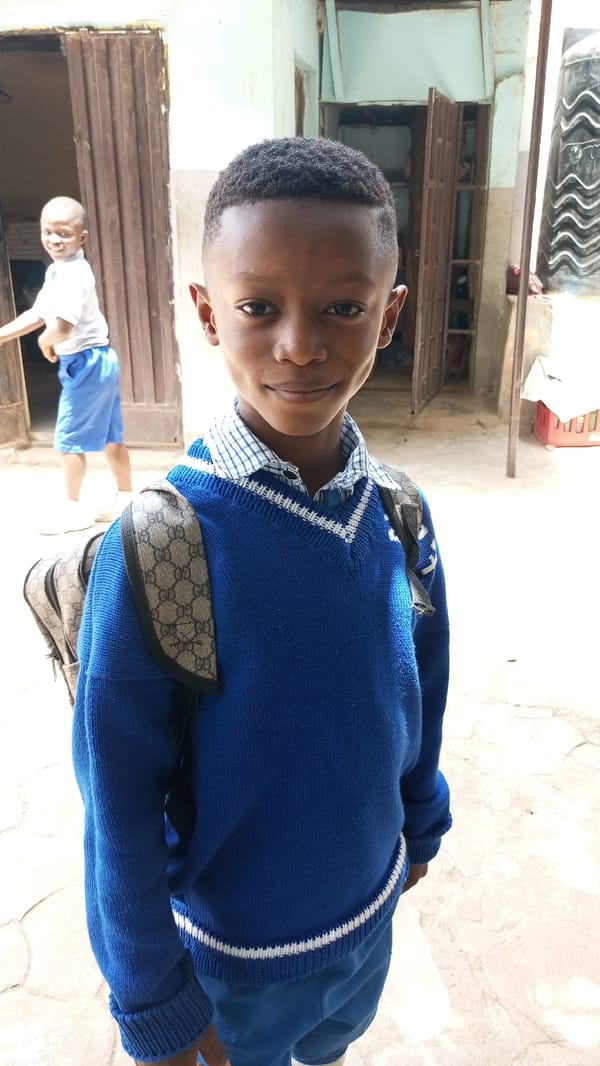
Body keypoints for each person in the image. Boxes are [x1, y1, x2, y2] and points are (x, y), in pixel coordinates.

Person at [73, 137, 452, 1066]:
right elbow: (115, 802)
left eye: (342, 308)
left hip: (367, 922)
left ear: (390, 313)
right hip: (228, 971)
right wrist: (153, 1000)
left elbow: (417, 692)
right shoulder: (163, 542)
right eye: (258, 307)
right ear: (208, 313)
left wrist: (421, 816)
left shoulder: (399, 512)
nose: (300, 345)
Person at [0, 196, 132, 534]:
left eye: (64, 233)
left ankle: (73, 509)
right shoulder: (58, 271)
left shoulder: (74, 274)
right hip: (99, 359)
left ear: (82, 237)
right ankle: (126, 499)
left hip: (86, 364)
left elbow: (62, 327)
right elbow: (38, 314)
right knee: (111, 437)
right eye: (48, 232)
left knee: (69, 440)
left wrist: (46, 342)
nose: (55, 240)